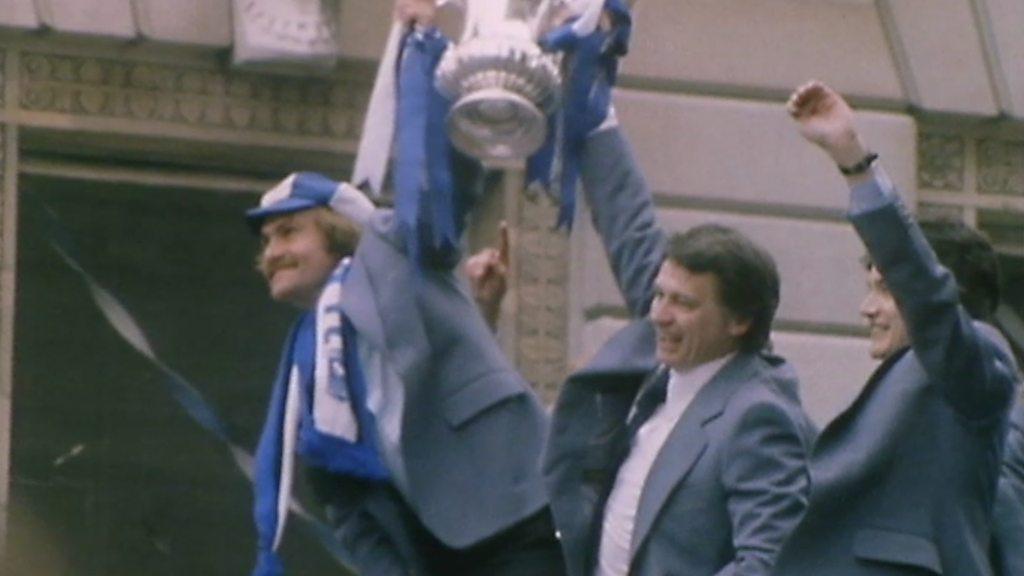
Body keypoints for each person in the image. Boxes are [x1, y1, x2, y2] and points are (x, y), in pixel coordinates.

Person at [245, 4, 564, 575]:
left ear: (339, 229)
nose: (272, 254)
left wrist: (425, 52)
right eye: (267, 241)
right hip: (427, 551)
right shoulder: (308, 356)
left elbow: (432, 182)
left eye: (289, 232)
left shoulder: (391, 249)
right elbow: (340, 491)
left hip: (513, 514)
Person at [538, 92, 816, 573]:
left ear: (739, 321)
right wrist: (594, 111)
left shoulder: (759, 416)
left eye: (683, 303)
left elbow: (767, 563)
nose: (660, 315)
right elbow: (632, 232)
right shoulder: (679, 349)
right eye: (659, 296)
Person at [771, 80, 1019, 575]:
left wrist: (854, 162)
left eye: (886, 289)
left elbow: (928, 298)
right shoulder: (920, 375)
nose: (867, 309)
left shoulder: (978, 360)